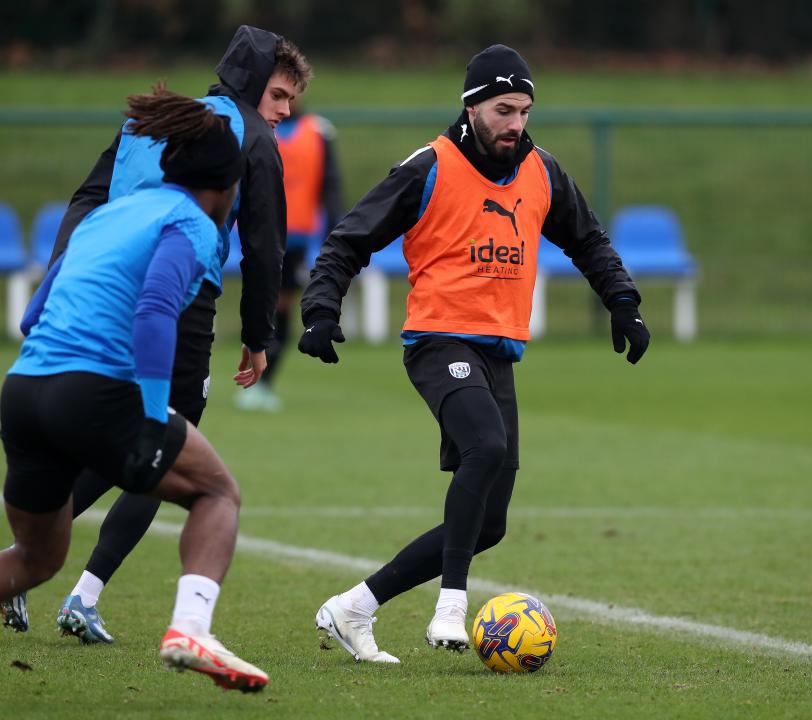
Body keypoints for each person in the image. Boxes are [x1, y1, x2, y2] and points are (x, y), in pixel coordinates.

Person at [297, 44, 651, 663]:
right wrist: (321, 311)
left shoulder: (542, 170)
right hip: (438, 340)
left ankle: (354, 607)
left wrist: (623, 301)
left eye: (524, 110)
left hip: (498, 353)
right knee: (484, 448)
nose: (516, 124)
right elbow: (349, 238)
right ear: (472, 106)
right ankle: (451, 607)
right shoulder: (429, 166)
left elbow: (589, 239)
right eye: (503, 110)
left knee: (490, 524)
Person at [0, 25, 311, 642]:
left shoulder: (156, 119)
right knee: (169, 448)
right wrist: (259, 334)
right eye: (278, 96)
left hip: (85, 301)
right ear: (253, 84)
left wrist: (64, 283)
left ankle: (27, 565)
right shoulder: (241, 138)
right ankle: (86, 594)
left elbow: (88, 198)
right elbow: (263, 243)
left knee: (110, 437)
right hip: (176, 297)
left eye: (290, 105)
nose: (281, 113)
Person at [236, 97, 343, 412]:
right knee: (261, 306)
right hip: (254, 236)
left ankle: (261, 383)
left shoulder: (319, 132)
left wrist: (335, 238)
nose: (286, 103)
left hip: (293, 241)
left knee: (277, 308)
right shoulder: (253, 129)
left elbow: (331, 187)